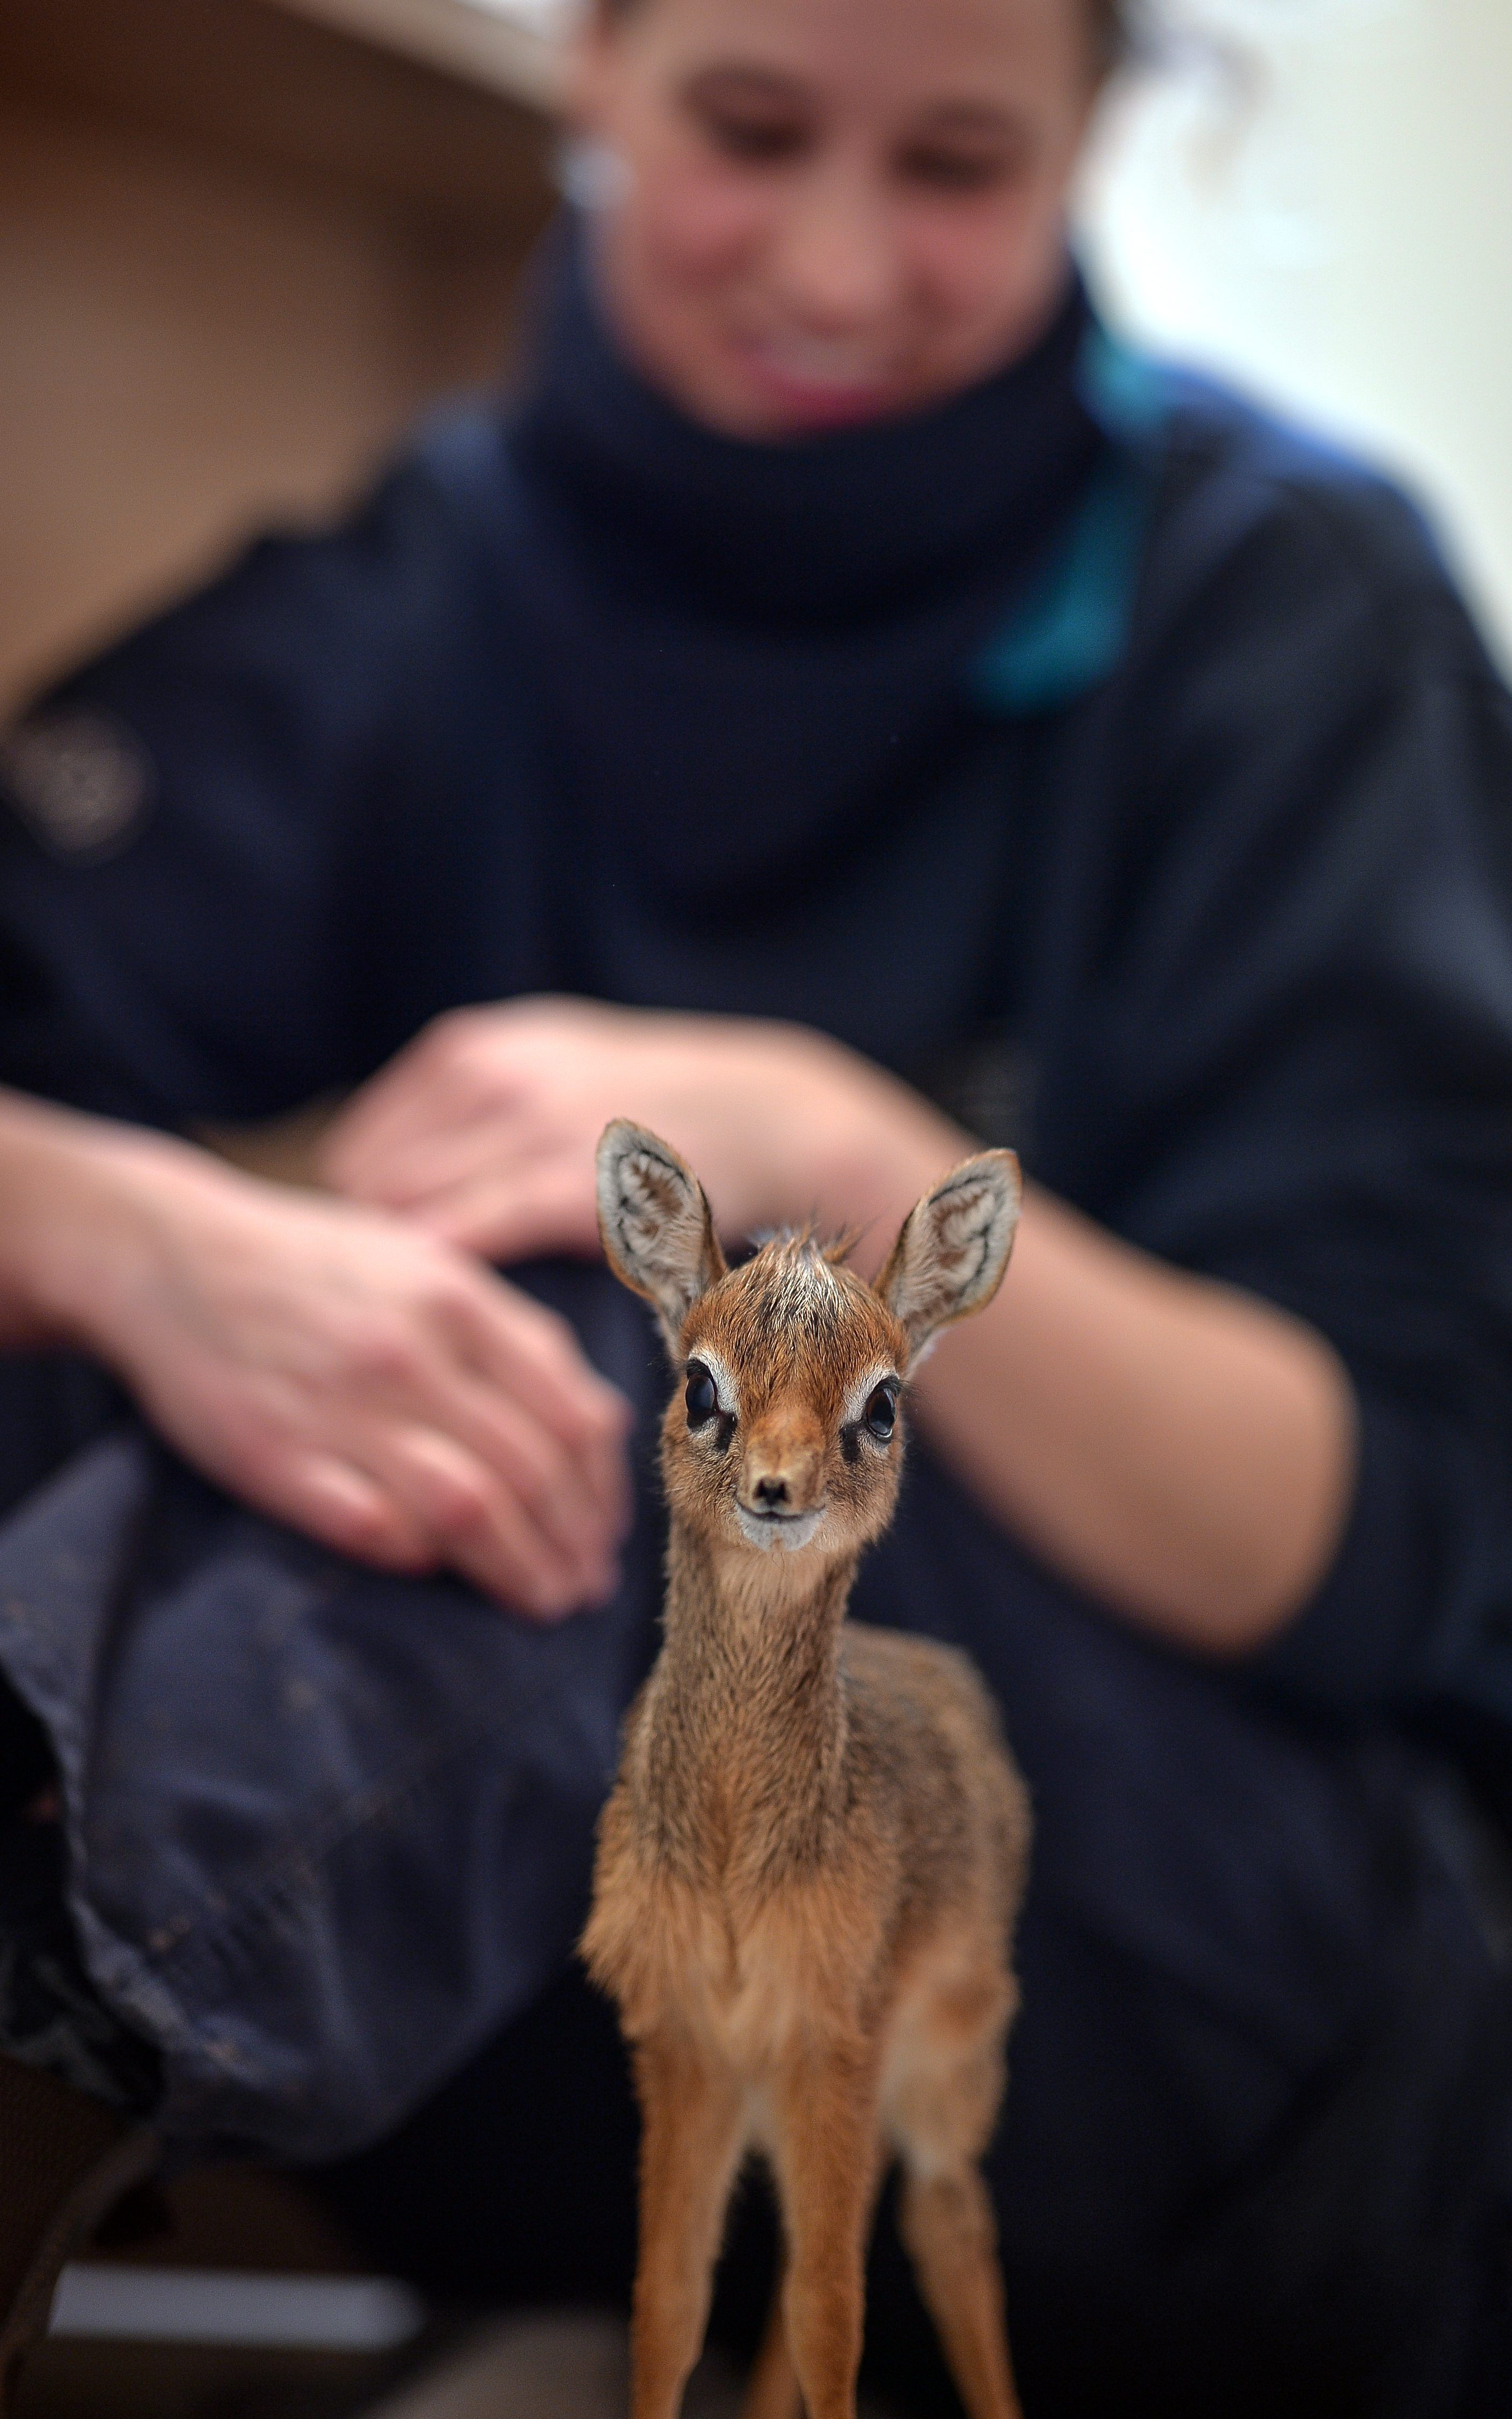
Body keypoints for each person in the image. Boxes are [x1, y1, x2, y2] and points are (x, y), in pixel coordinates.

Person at [2, 0, 1511, 2405]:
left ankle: (49, 2012)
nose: (832, 259)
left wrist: (838, 1142)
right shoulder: (424, 584)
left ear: (1095, 138)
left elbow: (1380, 1531)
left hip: (1214, 2024)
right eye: (749, 129)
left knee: (699, 1350)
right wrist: (136, 1236)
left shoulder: (1291, 611)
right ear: (594, 64)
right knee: (160, 1331)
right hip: (583, 1987)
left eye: (953, 169)